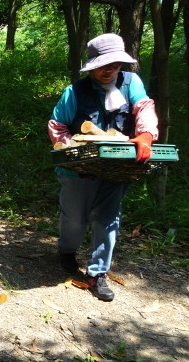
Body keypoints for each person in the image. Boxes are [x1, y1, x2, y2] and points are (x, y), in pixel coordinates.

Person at [48, 33, 159, 301]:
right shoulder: (74, 92)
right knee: (74, 218)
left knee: (108, 217)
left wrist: (145, 135)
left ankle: (97, 273)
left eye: (115, 65)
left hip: (117, 168)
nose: (110, 70)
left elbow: (144, 108)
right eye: (104, 65)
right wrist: (74, 156)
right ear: (93, 65)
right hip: (78, 170)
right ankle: (66, 251)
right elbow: (57, 124)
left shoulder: (131, 83)